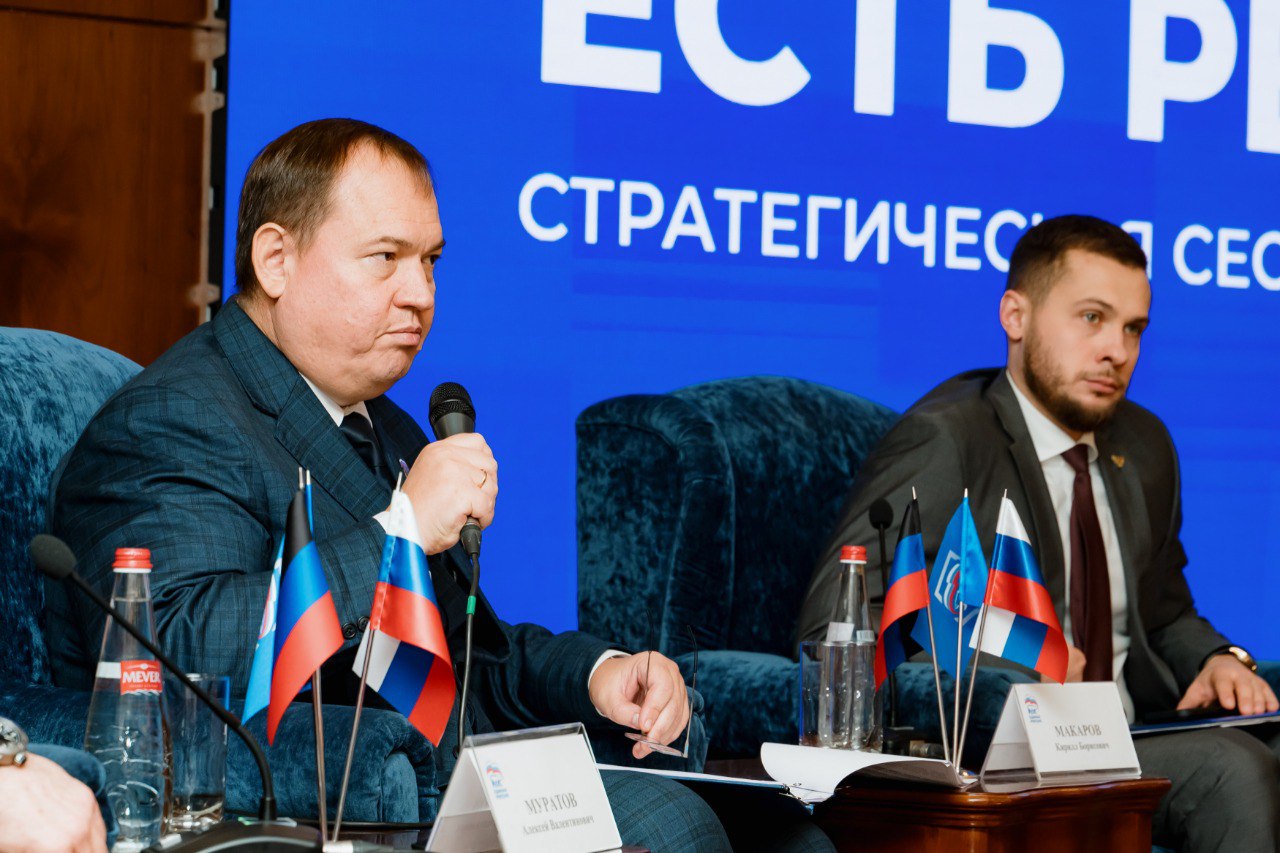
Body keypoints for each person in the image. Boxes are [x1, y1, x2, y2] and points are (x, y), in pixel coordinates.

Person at [46, 118, 830, 852]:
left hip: (447, 780)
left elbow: (468, 657)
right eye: (385, 257)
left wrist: (602, 675)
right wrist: (400, 532)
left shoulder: (384, 425)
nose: (420, 293)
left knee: (791, 831)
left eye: (430, 261)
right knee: (670, 824)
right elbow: (179, 655)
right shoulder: (173, 417)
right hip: (319, 803)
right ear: (276, 259)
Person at [797, 215, 1280, 852]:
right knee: (1231, 771)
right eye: (1092, 318)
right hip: (1009, 751)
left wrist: (1217, 660)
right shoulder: (949, 439)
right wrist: (1018, 663)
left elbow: (1165, 612)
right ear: (1015, 316)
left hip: (1133, 738)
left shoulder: (1147, 444)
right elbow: (840, 625)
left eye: (1133, 328)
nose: (1118, 350)